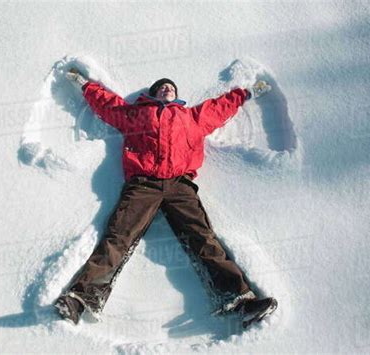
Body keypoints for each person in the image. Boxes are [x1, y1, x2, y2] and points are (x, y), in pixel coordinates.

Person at [54, 68, 277, 326]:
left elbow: (220, 107)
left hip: (180, 186)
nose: (166, 89)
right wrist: (84, 85)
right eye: (161, 87)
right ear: (152, 95)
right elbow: (108, 104)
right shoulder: (136, 114)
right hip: (143, 185)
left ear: (177, 95)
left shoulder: (192, 117)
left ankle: (239, 300)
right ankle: (80, 299)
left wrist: (247, 93)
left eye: (170, 87)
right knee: (118, 237)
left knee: (202, 238)